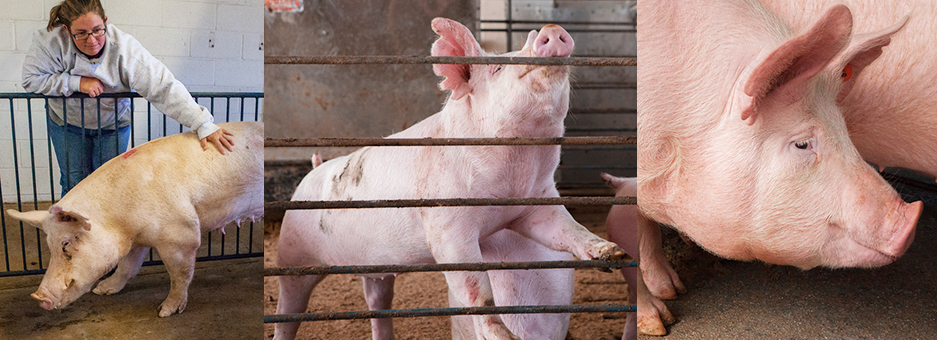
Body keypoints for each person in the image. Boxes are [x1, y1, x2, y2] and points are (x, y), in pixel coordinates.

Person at [21, 0, 235, 196]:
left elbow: (163, 86)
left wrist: (203, 123)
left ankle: (106, 235)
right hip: (67, 124)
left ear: (105, 22)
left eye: (97, 30)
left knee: (111, 182)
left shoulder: (125, 49)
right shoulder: (49, 43)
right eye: (81, 33)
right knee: (74, 182)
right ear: (67, 30)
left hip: (113, 124)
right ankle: (74, 236)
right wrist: (77, 83)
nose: (92, 40)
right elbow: (30, 79)